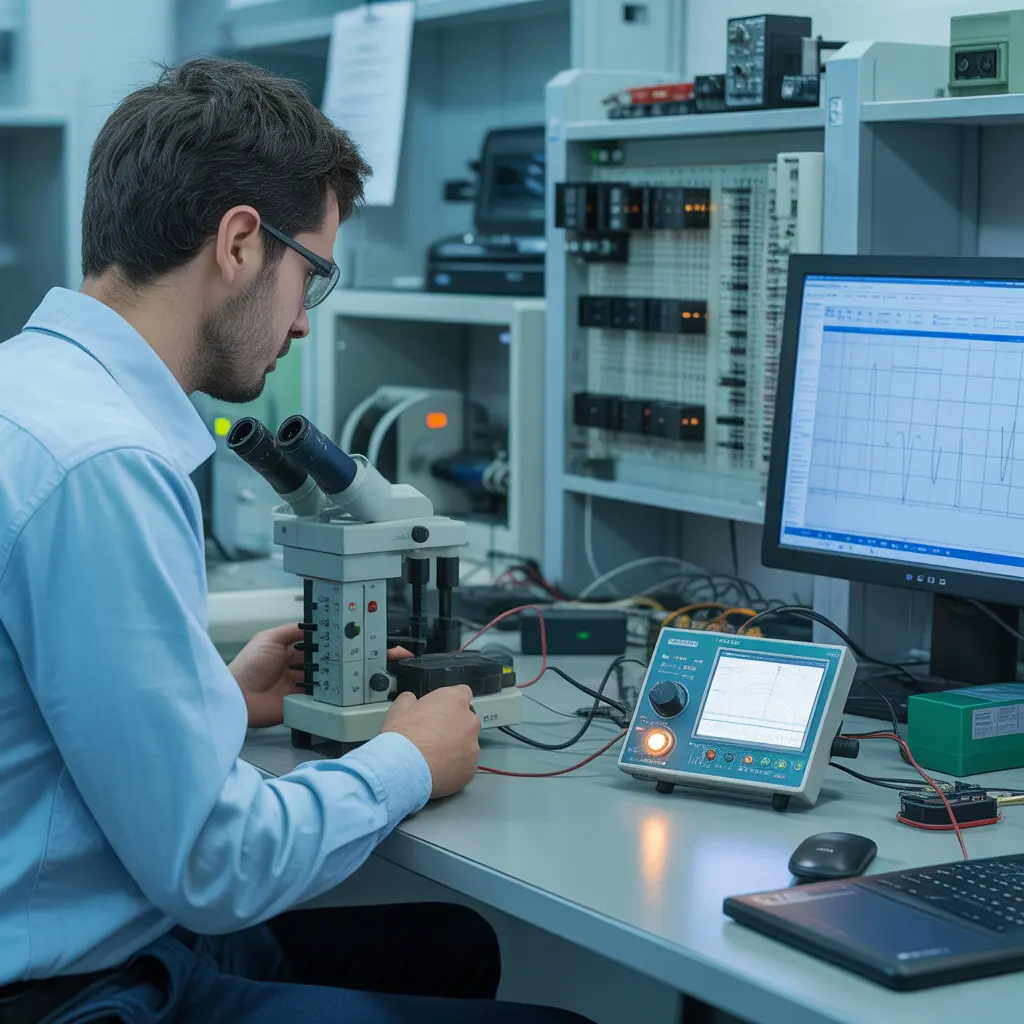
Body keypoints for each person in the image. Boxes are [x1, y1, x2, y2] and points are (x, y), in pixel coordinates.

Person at [0, 57, 592, 1024]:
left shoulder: (29, 391)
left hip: (72, 923)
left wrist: (218, 702)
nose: (303, 327)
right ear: (239, 242)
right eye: (310, 276)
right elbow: (212, 865)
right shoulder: (102, 463)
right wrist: (408, 759)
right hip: (71, 995)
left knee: (456, 948)